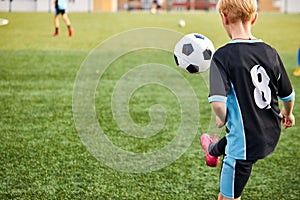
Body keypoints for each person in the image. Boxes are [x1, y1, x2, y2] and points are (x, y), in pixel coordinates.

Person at [200, 0, 295, 200]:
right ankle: (213, 150)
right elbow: (288, 95)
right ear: (254, 17)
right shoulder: (270, 52)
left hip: (245, 144)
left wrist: (222, 117)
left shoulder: (222, 56)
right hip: (271, 132)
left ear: (224, 18)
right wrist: (288, 112)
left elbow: (218, 103)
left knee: (227, 198)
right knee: (242, 123)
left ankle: (215, 152)